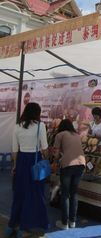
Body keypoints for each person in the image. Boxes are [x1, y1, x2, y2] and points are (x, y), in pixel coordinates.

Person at [5, 102, 49, 238]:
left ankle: (13, 225)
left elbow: (14, 150)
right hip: (35, 162)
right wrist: (46, 160)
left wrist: (14, 166)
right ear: (37, 113)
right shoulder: (40, 126)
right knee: (35, 195)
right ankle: (25, 228)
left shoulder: (17, 126)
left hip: (21, 162)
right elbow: (45, 148)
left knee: (19, 194)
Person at [54, 119, 86, 230]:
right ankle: (72, 221)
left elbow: (56, 154)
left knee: (65, 194)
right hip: (81, 164)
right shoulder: (77, 135)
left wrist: (55, 162)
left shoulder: (60, 135)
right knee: (74, 193)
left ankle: (64, 223)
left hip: (67, 165)